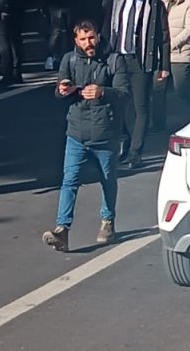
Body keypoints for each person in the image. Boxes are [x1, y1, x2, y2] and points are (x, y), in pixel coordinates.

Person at [43, 20, 130, 253]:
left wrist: (103, 92)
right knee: (69, 180)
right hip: (76, 133)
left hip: (105, 134)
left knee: (107, 179)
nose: (88, 43)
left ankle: (107, 221)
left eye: (91, 38)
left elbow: (124, 93)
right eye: (83, 39)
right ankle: (62, 230)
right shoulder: (69, 60)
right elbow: (60, 89)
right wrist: (63, 90)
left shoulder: (113, 60)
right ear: (76, 41)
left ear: (98, 37)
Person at [106, 0, 171, 167]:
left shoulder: (154, 4)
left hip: (141, 60)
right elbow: (107, 26)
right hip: (118, 58)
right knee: (120, 103)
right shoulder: (117, 0)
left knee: (140, 106)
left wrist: (164, 66)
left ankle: (136, 152)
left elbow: (164, 37)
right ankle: (125, 146)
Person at [160, 0, 190, 119]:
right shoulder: (161, 2)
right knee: (158, 90)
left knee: (181, 90)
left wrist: (172, 44)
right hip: (162, 54)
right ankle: (158, 124)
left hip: (180, 54)